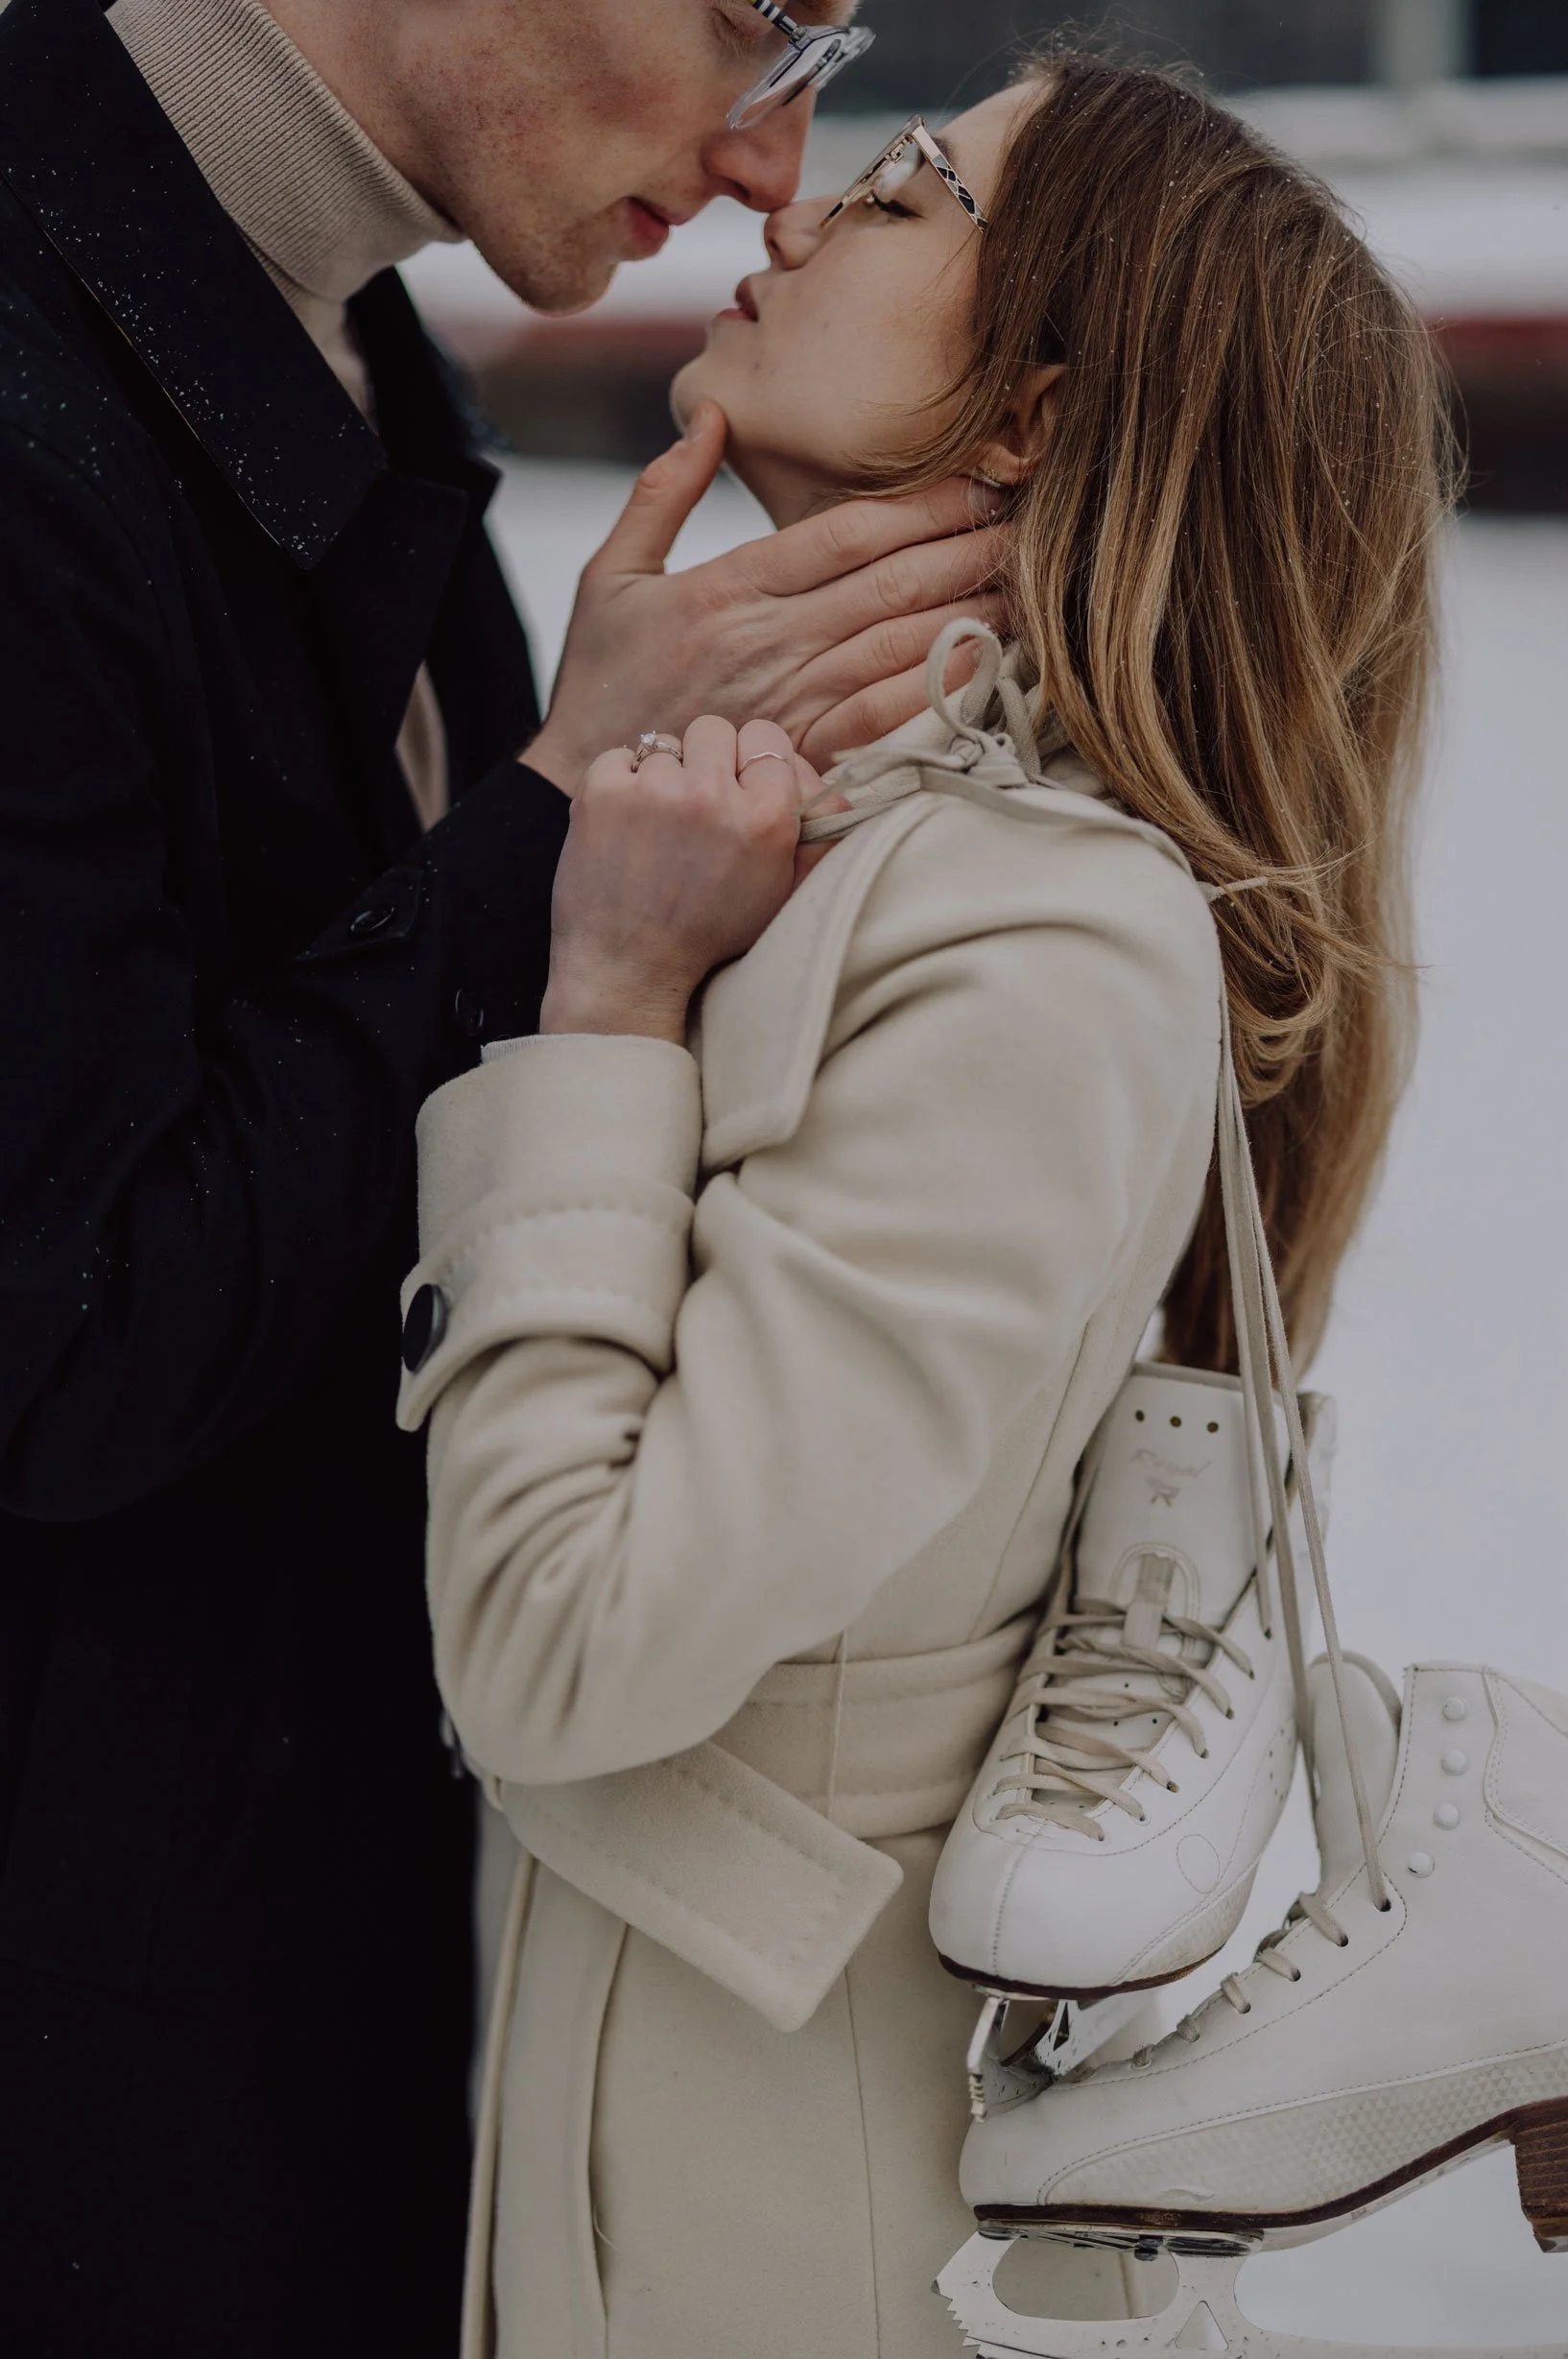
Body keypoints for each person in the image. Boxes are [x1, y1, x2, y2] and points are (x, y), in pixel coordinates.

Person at [396, 52, 1454, 2359]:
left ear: (1034, 421)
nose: (789, 200)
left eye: (906, 192)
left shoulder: (1038, 943)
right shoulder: (817, 845)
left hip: (782, 2219)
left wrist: (603, 998)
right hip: (594, 2138)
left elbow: (569, 1645)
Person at [0, 0, 1013, 2351]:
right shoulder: (50, 403)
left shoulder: (331, 331)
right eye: (770, 25)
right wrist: (551, 834)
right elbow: (61, 1327)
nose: (779, 162)